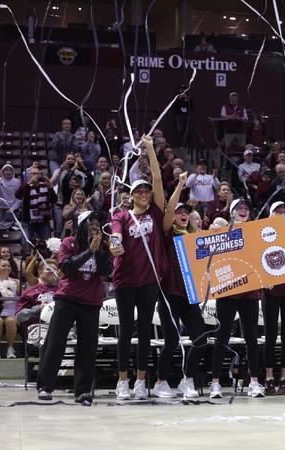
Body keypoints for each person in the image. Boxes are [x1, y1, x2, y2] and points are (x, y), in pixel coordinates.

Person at [108, 135, 168, 401]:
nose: (144, 194)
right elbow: (116, 234)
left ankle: (141, 381)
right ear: (131, 195)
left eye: (146, 192)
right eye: (139, 192)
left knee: (145, 331)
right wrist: (115, 245)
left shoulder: (155, 213)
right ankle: (122, 381)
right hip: (125, 280)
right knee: (125, 331)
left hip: (149, 280)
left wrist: (151, 148)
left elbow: (156, 178)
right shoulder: (121, 215)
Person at [35, 211, 112, 404]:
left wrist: (100, 251)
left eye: (98, 224)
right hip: (67, 299)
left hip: (91, 302)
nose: (95, 227)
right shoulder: (69, 242)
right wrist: (89, 251)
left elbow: (107, 272)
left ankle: (83, 391)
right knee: (55, 343)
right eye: (91, 223)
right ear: (81, 225)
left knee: (87, 348)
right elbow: (66, 268)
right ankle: (45, 386)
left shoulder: (103, 246)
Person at [150, 172, 205, 399]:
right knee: (172, 340)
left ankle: (187, 379)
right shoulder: (166, 233)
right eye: (179, 213)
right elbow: (169, 210)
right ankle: (160, 381)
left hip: (190, 295)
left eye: (186, 213)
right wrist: (181, 184)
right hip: (169, 293)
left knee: (200, 338)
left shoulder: (196, 237)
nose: (183, 215)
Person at [208, 198, 265, 399]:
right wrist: (214, 230)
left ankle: (255, 383)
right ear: (231, 212)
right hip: (227, 291)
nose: (243, 210)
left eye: (246, 208)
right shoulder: (221, 231)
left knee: (252, 338)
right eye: (239, 208)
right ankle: (215, 383)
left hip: (250, 292)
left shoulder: (256, 231)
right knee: (222, 337)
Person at [261, 201, 285, 395]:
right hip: (270, 290)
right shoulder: (262, 233)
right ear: (271, 215)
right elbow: (255, 258)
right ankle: (269, 378)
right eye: (279, 211)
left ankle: (284, 379)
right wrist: (262, 279)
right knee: (270, 335)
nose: (283, 214)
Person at [16, 164, 56, 242]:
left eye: (38, 173)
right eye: (33, 174)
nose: (36, 175)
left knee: (47, 243)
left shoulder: (46, 185)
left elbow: (54, 200)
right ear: (29, 176)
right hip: (28, 221)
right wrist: (29, 182)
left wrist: (50, 187)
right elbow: (18, 195)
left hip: (43, 221)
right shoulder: (26, 185)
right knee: (27, 243)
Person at [0, 258, 19, 358]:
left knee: (11, 321)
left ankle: (10, 348)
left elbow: (20, 298)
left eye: (8, 266)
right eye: (3, 265)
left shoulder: (16, 282)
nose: (6, 267)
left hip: (11, 311)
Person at [0, 164, 21, 229]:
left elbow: (19, 198)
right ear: (3, 172)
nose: (8, 172)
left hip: (14, 208)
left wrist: (13, 208)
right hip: (1, 207)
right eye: (6, 170)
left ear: (13, 172)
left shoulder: (17, 182)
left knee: (13, 227)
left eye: (10, 171)